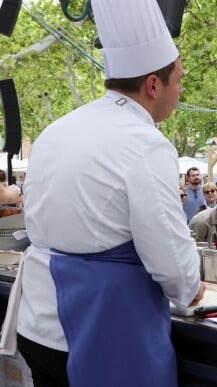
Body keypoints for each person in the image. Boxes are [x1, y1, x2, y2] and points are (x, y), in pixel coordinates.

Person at [16, 1, 206, 385]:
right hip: (99, 331)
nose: (181, 90)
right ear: (154, 84)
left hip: (37, 324)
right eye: (179, 80)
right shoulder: (146, 143)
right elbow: (169, 258)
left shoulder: (58, 129)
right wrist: (191, 286)